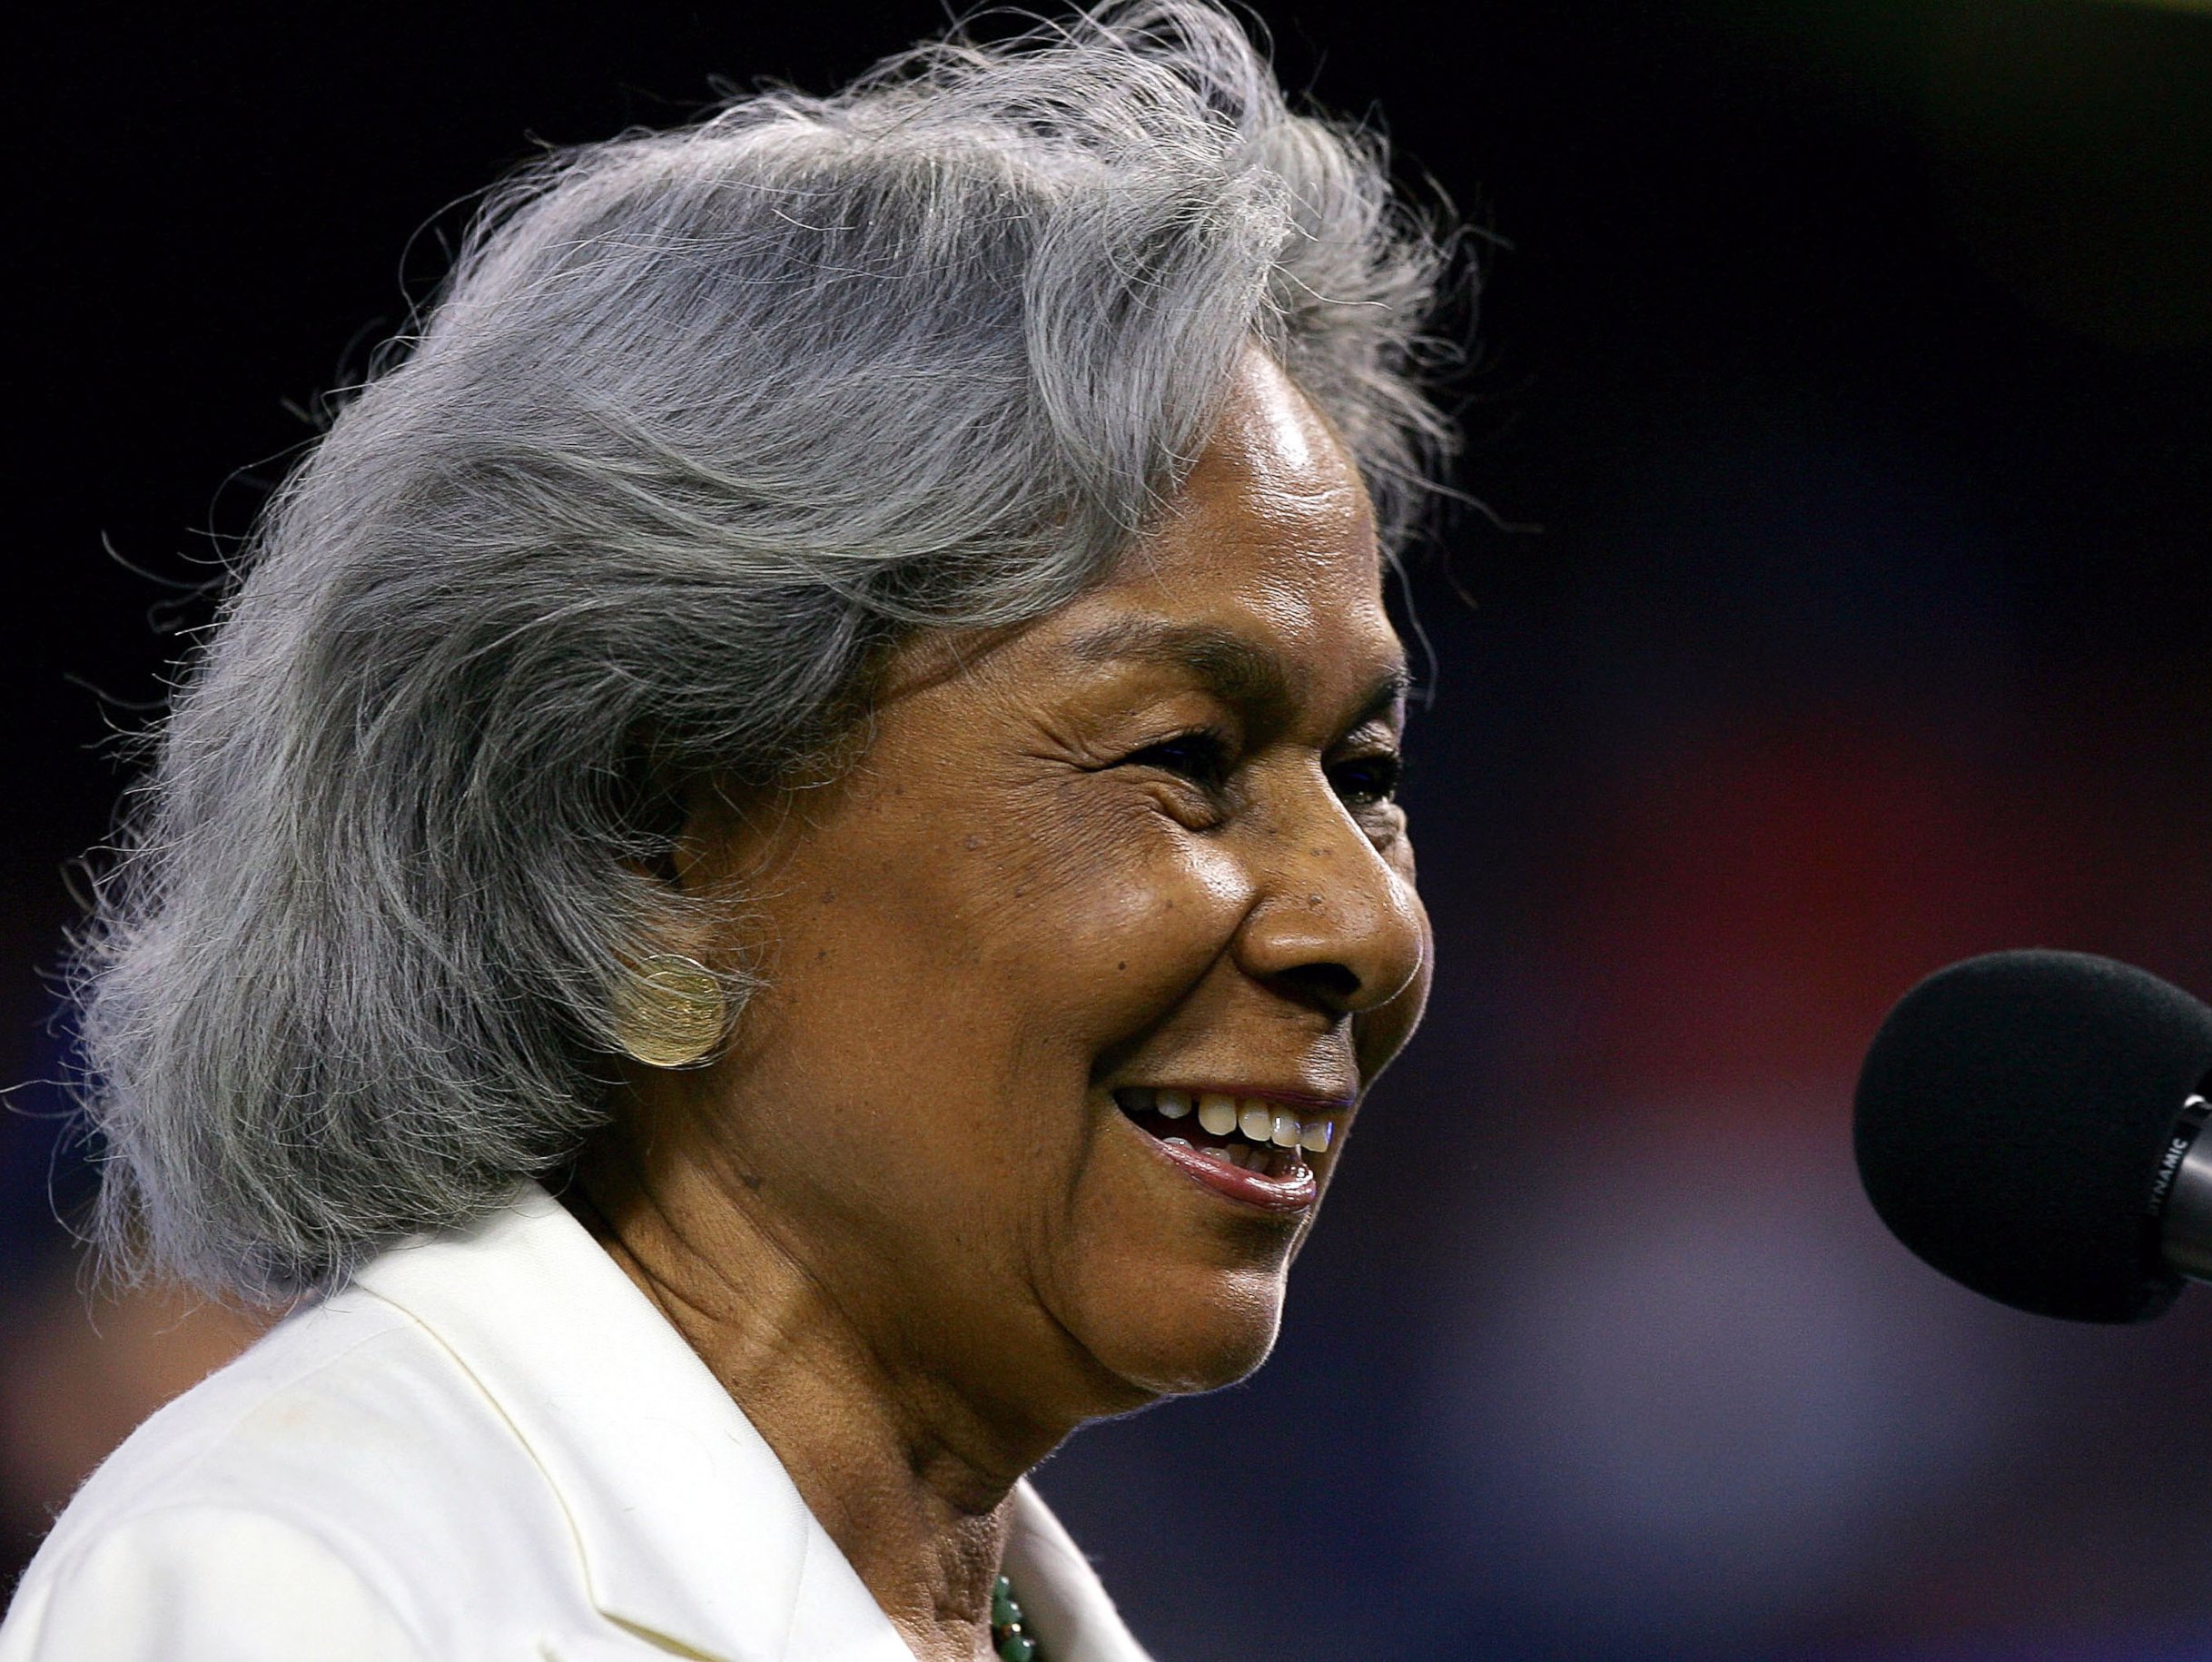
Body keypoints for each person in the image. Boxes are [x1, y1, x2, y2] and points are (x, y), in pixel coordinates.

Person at [0, 4, 1455, 1657]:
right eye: (1186, 753)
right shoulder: (320, 1584)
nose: (1367, 922)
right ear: (655, 845)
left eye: (1370, 770)